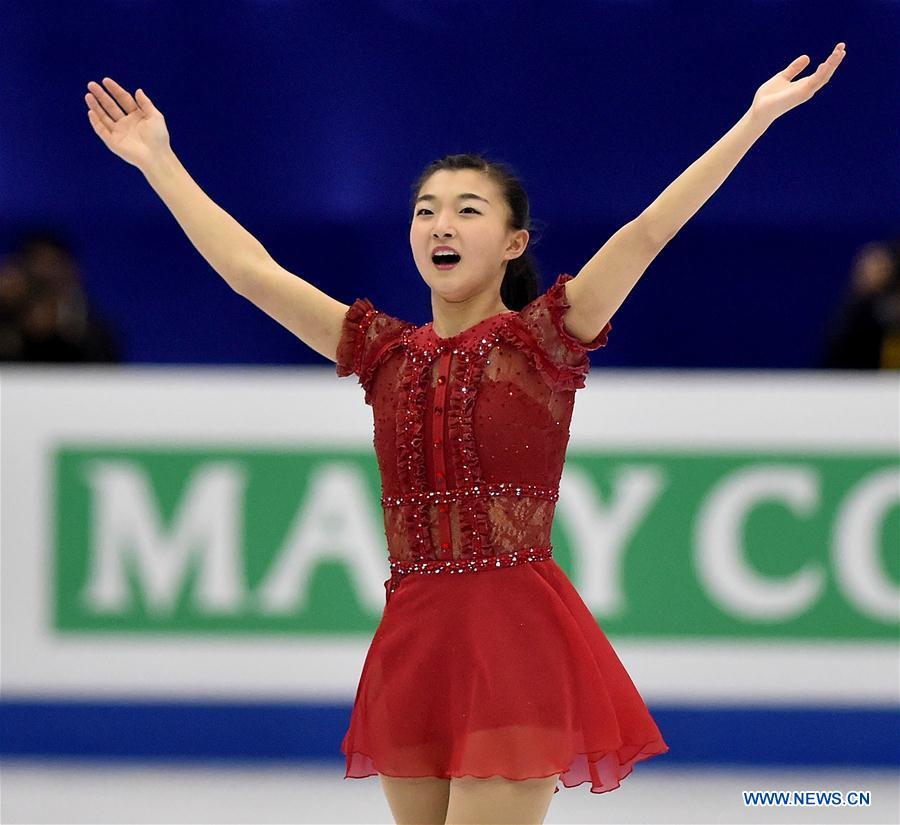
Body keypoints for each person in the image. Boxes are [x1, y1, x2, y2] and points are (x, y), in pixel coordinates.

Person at [85, 44, 845, 823]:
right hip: (414, 638)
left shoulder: (544, 339)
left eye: (467, 210)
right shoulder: (384, 352)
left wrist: (754, 120)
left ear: (514, 242)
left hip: (514, 640)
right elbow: (252, 271)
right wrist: (158, 162)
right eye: (425, 210)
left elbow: (649, 231)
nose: (440, 224)